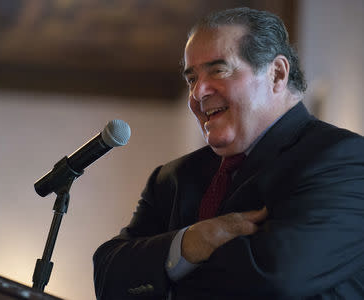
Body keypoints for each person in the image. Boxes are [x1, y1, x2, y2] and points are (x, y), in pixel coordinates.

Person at [93, 7, 364, 300]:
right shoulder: (170, 179)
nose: (198, 93)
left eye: (218, 70)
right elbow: (107, 277)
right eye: (191, 79)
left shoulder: (346, 160)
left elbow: (274, 279)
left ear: (277, 74)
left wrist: (161, 276)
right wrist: (191, 242)